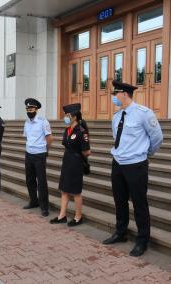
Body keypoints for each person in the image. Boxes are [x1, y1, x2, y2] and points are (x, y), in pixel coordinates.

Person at [103, 80, 163, 257]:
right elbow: (118, 139)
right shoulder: (116, 116)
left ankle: (142, 240)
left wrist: (144, 153)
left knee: (139, 203)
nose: (113, 97)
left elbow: (157, 138)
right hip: (118, 163)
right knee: (119, 200)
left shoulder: (144, 113)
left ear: (124, 94)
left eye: (115, 94)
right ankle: (121, 232)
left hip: (136, 165)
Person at [50, 103, 91, 226]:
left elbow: (87, 151)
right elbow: (66, 145)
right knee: (64, 190)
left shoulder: (81, 131)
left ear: (74, 117)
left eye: (67, 115)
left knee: (75, 191)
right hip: (67, 161)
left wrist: (78, 157)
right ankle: (62, 215)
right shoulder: (67, 130)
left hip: (76, 163)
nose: (65, 118)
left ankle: (78, 217)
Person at [23, 98, 53, 217]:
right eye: (28, 109)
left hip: (40, 155)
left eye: (31, 109)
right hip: (29, 154)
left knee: (41, 182)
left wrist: (46, 151)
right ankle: (33, 201)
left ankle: (44, 206)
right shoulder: (26, 123)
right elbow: (27, 137)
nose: (29, 111)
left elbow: (49, 139)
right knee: (29, 180)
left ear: (36, 110)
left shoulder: (43, 122)